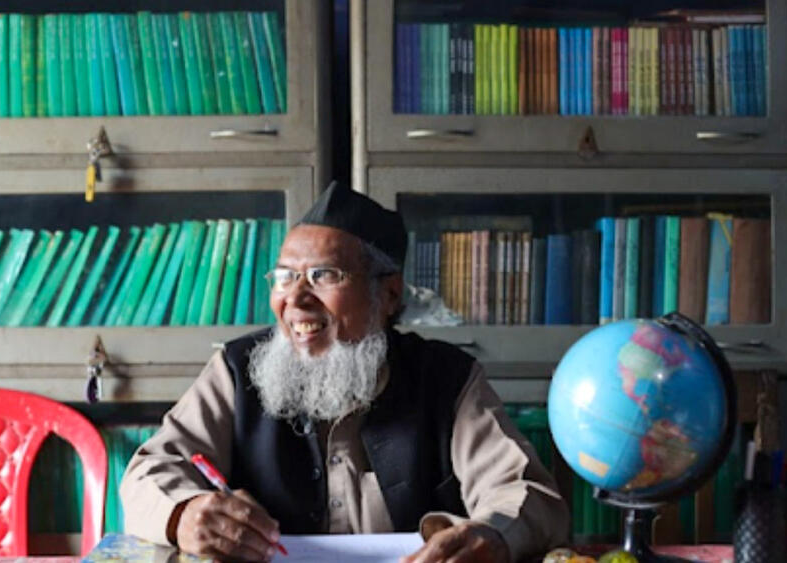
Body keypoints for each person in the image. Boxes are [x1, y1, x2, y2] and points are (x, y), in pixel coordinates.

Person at [120, 182, 570, 562]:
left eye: (323, 275)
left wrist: (491, 535)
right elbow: (149, 472)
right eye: (283, 277)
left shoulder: (447, 378)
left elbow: (528, 494)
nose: (294, 299)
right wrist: (184, 513)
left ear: (389, 294)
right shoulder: (237, 370)